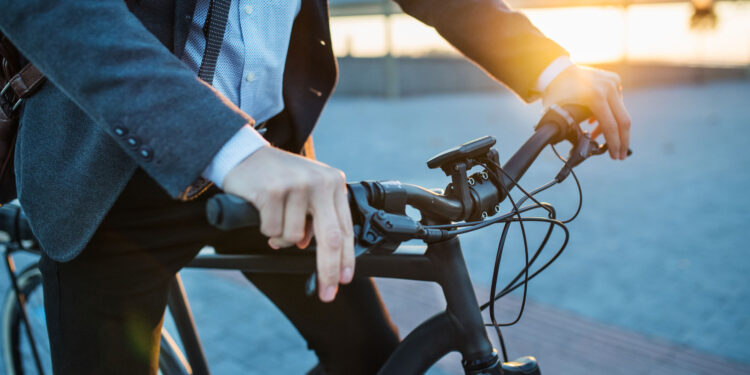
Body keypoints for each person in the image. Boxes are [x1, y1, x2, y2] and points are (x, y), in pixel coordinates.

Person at [0, 0, 631, 374]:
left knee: (370, 361)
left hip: (275, 164)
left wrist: (550, 66)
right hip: (108, 176)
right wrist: (228, 149)